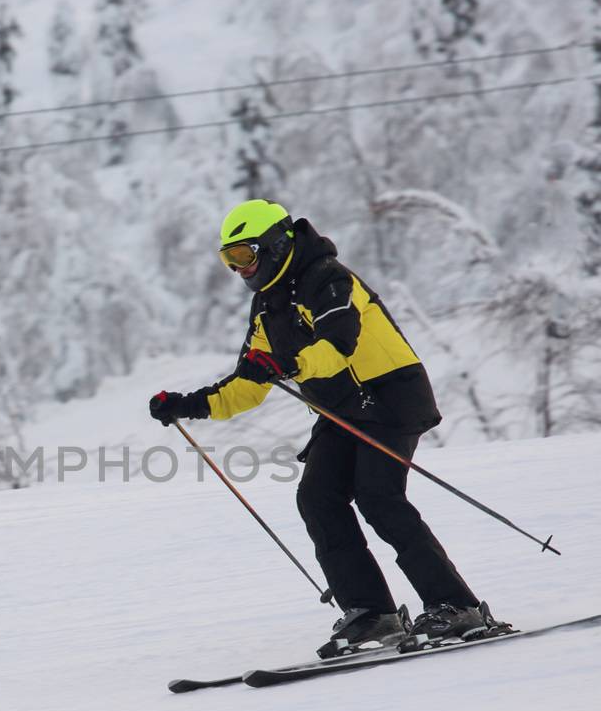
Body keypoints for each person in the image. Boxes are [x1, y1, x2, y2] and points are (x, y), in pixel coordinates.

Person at [148, 199, 488, 656]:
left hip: (389, 397)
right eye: (229, 260)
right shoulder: (267, 306)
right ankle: (372, 614)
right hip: (341, 410)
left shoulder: (327, 278)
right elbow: (248, 385)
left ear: (274, 245)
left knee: (378, 497)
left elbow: (338, 345)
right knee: (317, 496)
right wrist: (187, 405)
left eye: (244, 255)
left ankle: (457, 606)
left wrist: (287, 363)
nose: (238, 269)